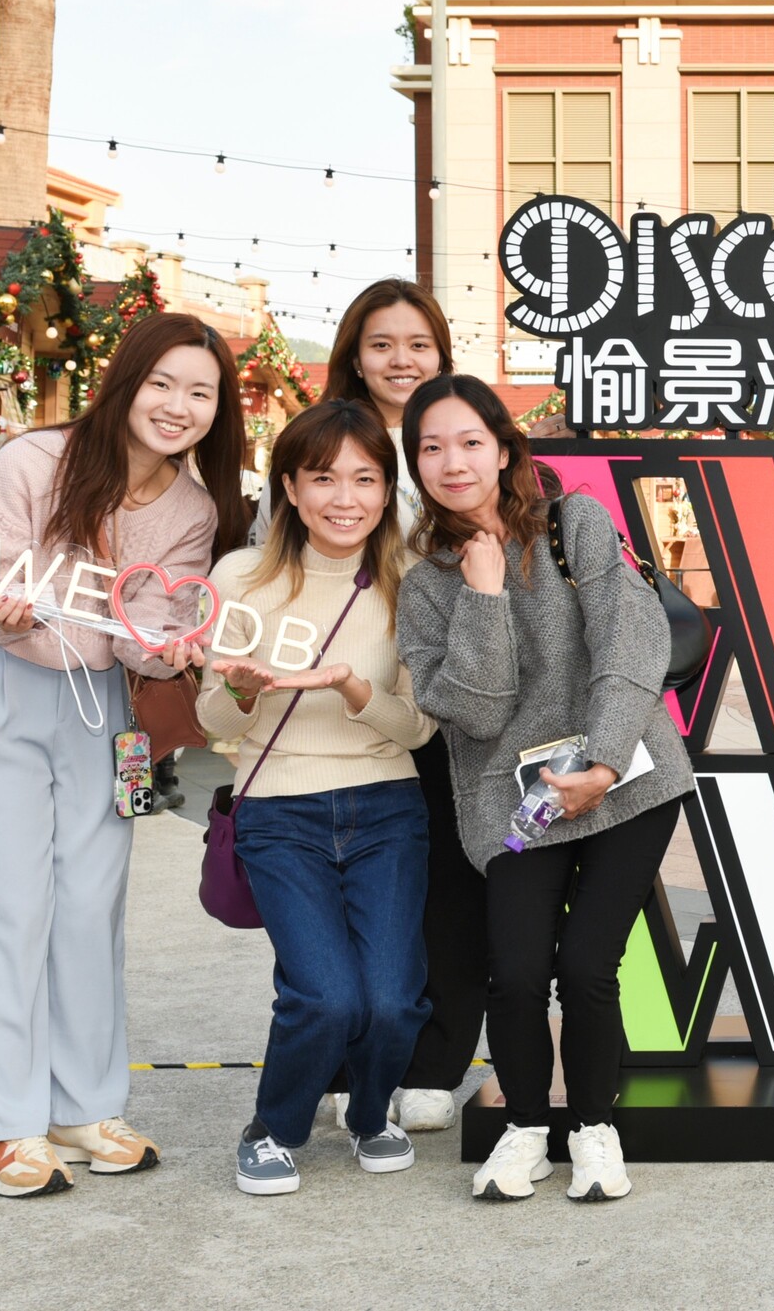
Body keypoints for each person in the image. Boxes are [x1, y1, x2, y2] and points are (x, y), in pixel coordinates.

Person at [0, 313, 246, 1196]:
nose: (178, 405)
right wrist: (6, 612)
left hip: (97, 705)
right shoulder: (34, 459)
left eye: (200, 392)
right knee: (4, 905)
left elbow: (148, 635)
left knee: (90, 904)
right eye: (162, 383)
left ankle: (85, 1105)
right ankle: (8, 1124)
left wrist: (173, 650)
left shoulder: (193, 507)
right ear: (126, 381)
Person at [397, 374, 693, 1202]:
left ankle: (594, 1128)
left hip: (626, 779)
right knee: (518, 972)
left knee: (589, 965)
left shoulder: (575, 523)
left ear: (502, 448)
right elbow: (476, 710)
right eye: (431, 447)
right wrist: (483, 591)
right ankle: (526, 1128)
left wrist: (601, 763)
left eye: (469, 441)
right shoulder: (425, 586)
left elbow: (630, 646)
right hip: (515, 800)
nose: (453, 462)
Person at [198, 400, 436, 1195]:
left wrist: (351, 686)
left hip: (387, 808)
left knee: (394, 999)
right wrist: (240, 686)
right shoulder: (240, 577)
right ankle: (274, 1126)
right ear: (291, 489)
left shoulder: (412, 581)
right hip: (279, 810)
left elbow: (418, 728)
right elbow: (212, 721)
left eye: (365, 479)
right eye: (324, 477)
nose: (345, 497)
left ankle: (370, 1113)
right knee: (325, 995)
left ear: (387, 490)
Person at [272, 281, 470, 1136]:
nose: (401, 359)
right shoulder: (321, 443)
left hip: (450, 702)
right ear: (354, 352)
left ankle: (432, 1065)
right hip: (344, 700)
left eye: (418, 343)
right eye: (382, 343)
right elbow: (275, 561)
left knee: (450, 889)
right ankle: (343, 1060)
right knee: (337, 888)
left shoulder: (456, 437)